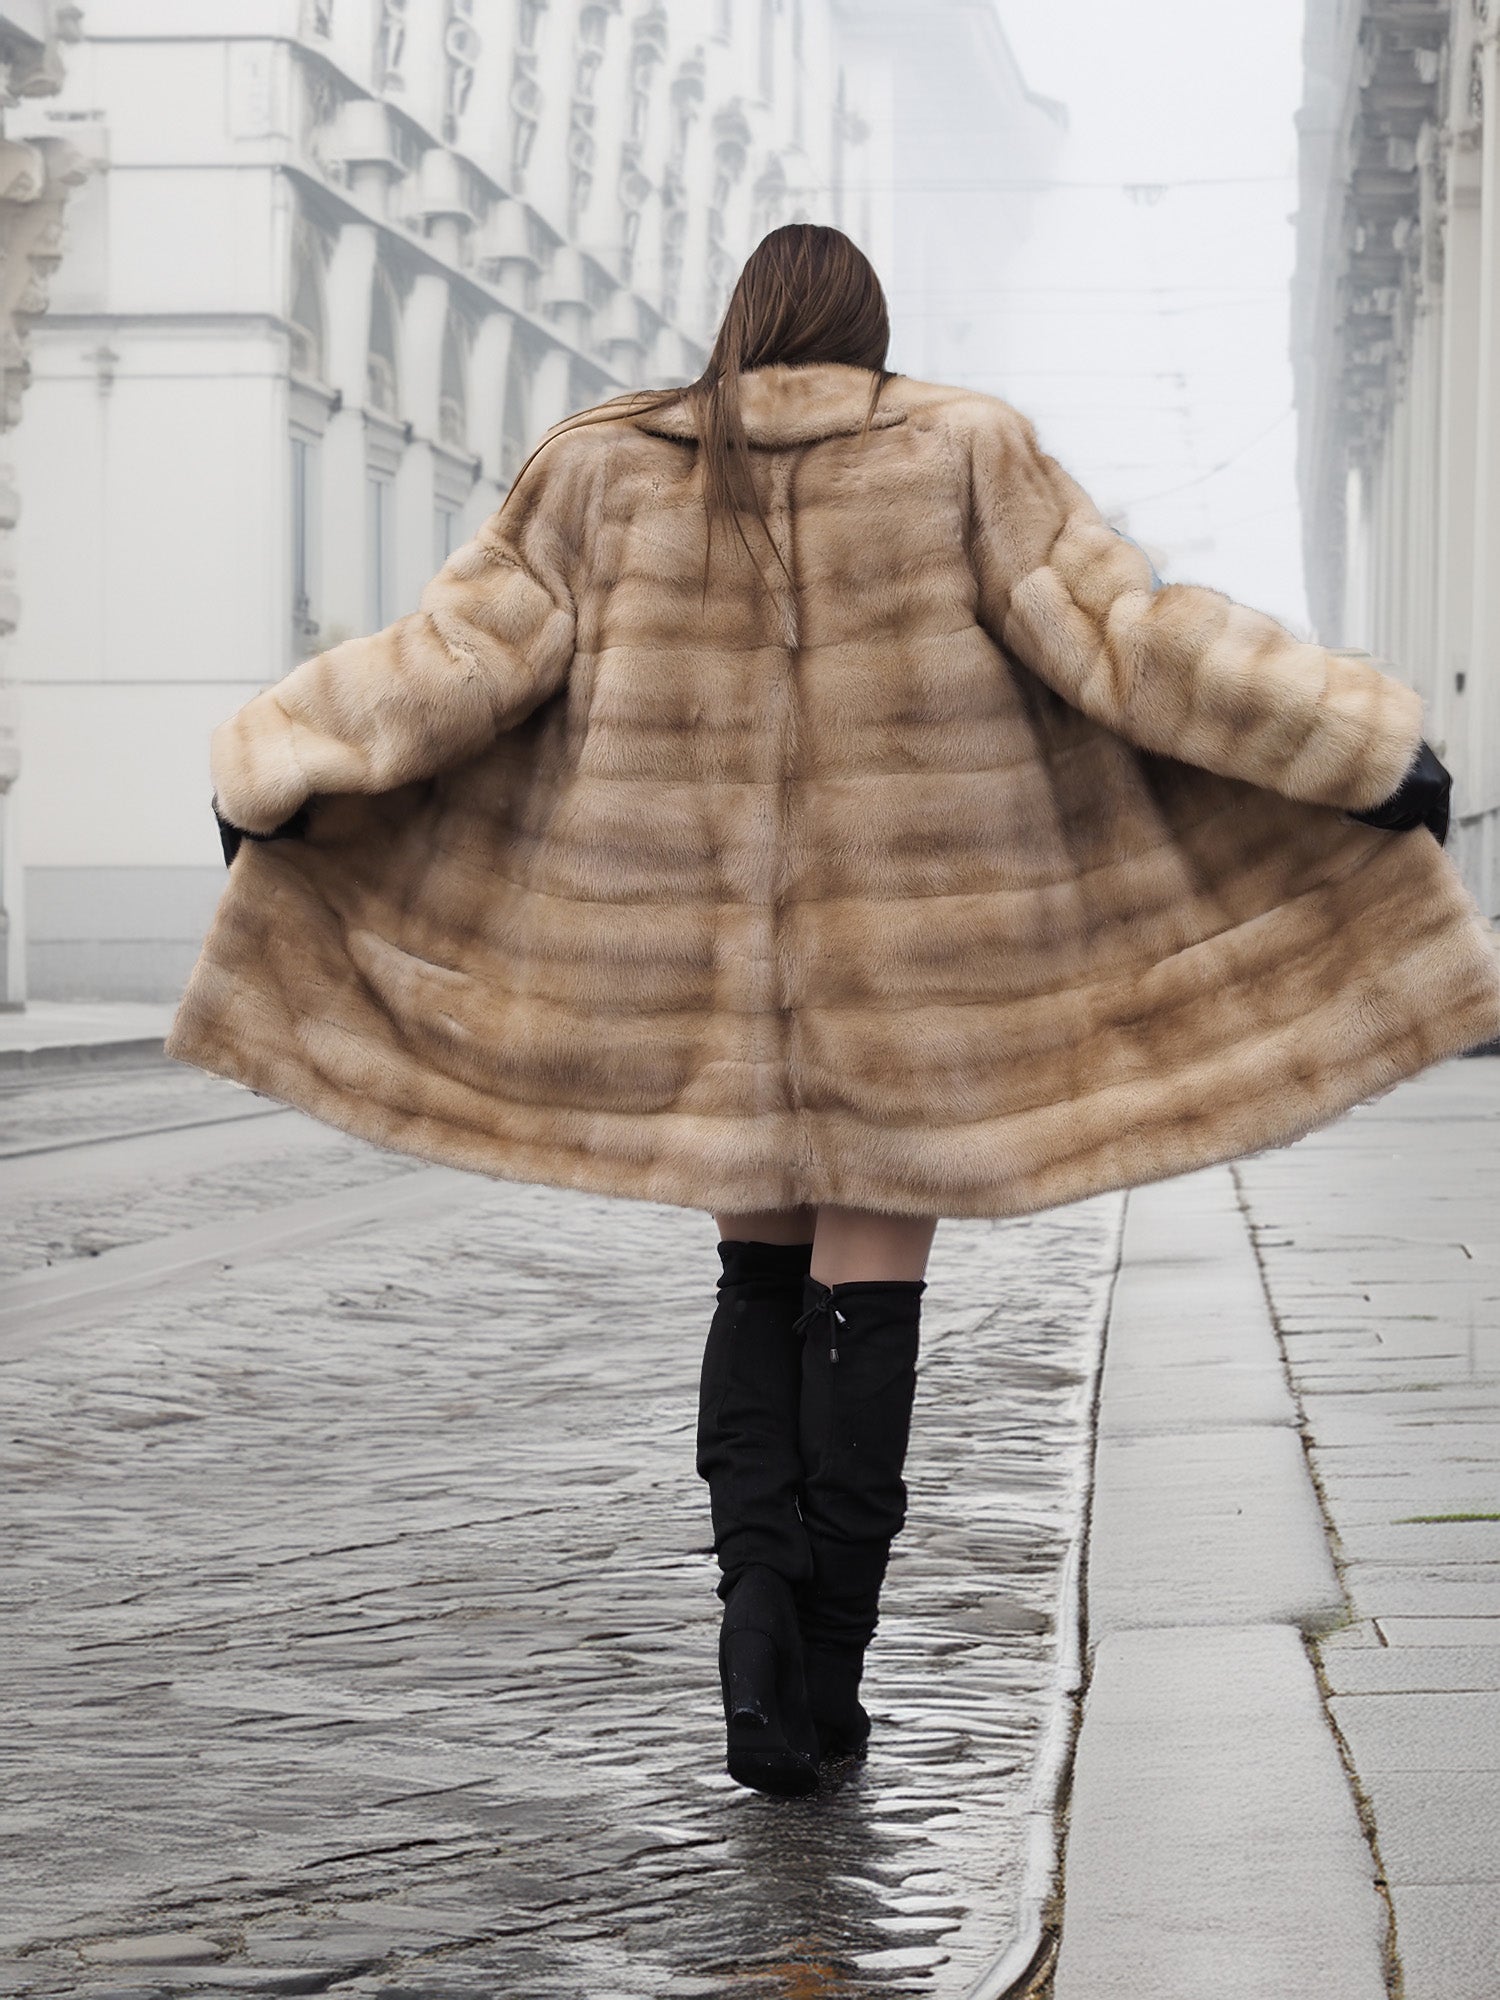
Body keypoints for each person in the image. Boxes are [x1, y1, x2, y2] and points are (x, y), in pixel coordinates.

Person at [171, 224, 1499, 1799]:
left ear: (739, 325)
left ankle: (752, 1633)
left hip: (700, 993)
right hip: (907, 987)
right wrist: (1359, 749)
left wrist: (278, 764)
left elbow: (455, 661)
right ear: (873, 333)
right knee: (872, 1310)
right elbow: (1132, 643)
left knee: (752, 1291)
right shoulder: (963, 451)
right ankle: (828, 1680)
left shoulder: (598, 470)